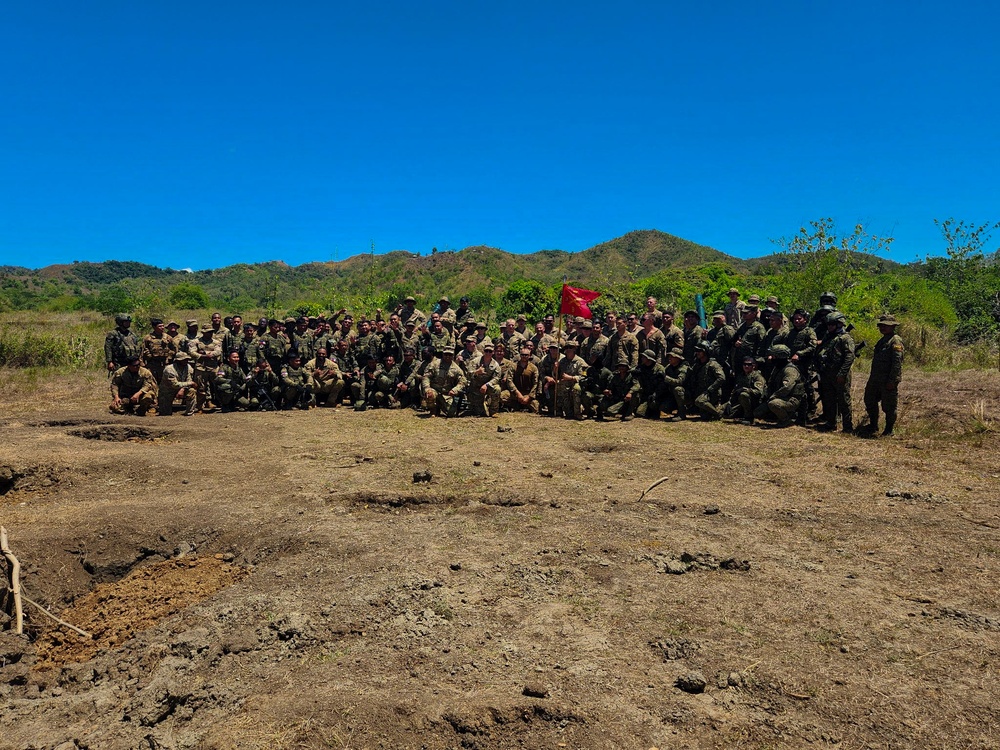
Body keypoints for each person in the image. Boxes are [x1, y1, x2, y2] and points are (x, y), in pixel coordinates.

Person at [862, 314, 904, 436]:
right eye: (881, 325)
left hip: (887, 380)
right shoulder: (883, 340)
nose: (883, 328)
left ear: (893, 327)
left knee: (889, 406)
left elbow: (897, 363)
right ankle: (873, 425)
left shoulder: (895, 340)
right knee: (869, 400)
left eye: (886, 326)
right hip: (875, 378)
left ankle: (889, 430)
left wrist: (893, 380)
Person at [815, 311, 855, 432]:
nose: (830, 326)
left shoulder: (845, 338)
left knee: (844, 400)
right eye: (828, 324)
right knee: (829, 399)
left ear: (839, 324)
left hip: (839, 374)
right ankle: (831, 423)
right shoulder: (829, 336)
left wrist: (842, 373)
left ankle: (847, 426)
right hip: (827, 373)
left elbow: (849, 357)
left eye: (832, 324)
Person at [752, 345, 806, 427]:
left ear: (780, 357)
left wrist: (773, 397)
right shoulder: (777, 367)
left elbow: (787, 388)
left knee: (774, 404)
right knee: (758, 412)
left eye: (773, 356)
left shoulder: (790, 370)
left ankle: (786, 420)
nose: (770, 358)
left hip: (792, 399)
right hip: (780, 397)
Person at [422, 349, 466, 418]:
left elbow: (462, 382)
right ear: (443, 355)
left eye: (450, 355)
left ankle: (440, 404)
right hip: (434, 390)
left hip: (446, 393)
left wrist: (455, 390)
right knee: (431, 395)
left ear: (453, 356)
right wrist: (427, 388)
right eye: (446, 354)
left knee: (452, 413)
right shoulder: (434, 364)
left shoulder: (456, 369)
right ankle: (433, 410)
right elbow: (426, 377)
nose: (447, 356)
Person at [689, 341, 726, 420]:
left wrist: (710, 389)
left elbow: (721, 378)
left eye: (700, 351)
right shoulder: (697, 364)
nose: (697, 353)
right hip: (701, 391)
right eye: (697, 351)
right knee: (704, 417)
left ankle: (717, 413)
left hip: (712, 393)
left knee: (699, 401)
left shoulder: (713, 364)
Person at [726, 356, 767, 422]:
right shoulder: (741, 376)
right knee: (724, 413)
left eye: (749, 364)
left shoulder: (757, 376)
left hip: (756, 402)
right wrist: (729, 402)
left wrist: (744, 389)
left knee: (743, 395)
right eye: (745, 364)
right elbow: (735, 390)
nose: (746, 366)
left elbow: (758, 392)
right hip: (741, 402)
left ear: (753, 366)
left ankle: (749, 418)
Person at [467, 343, 502, 417]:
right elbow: (468, 375)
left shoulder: (495, 365)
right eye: (486, 351)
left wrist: (487, 385)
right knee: (479, 413)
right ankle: (481, 405)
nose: (488, 353)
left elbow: (497, 378)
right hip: (475, 387)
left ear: (493, 352)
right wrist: (476, 372)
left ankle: (493, 411)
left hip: (487, 386)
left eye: (490, 351)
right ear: (483, 351)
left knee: (497, 389)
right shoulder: (475, 361)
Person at [159, 351, 197, 416]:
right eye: (184, 360)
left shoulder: (188, 367)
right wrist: (190, 383)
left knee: (192, 391)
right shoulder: (169, 369)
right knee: (165, 414)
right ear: (178, 361)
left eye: (187, 359)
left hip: (182, 388)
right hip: (168, 391)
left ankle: (189, 413)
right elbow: (175, 384)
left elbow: (189, 379)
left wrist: (183, 389)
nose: (186, 361)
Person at [141, 318, 176, 386]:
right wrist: (142, 363)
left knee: (165, 382)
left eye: (163, 326)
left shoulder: (168, 337)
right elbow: (142, 351)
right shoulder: (148, 338)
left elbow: (174, 349)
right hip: (152, 364)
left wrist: (169, 356)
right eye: (160, 326)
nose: (162, 328)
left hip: (165, 364)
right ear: (154, 327)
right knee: (152, 383)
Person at [504, 347, 539, 413]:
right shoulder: (513, 366)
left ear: (529, 356)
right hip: (515, 393)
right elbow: (509, 380)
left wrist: (529, 397)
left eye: (526, 355)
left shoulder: (533, 368)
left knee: (536, 407)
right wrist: (517, 393)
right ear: (520, 355)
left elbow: (535, 383)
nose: (524, 356)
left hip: (527, 394)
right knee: (502, 396)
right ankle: (515, 405)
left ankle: (523, 405)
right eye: (522, 355)